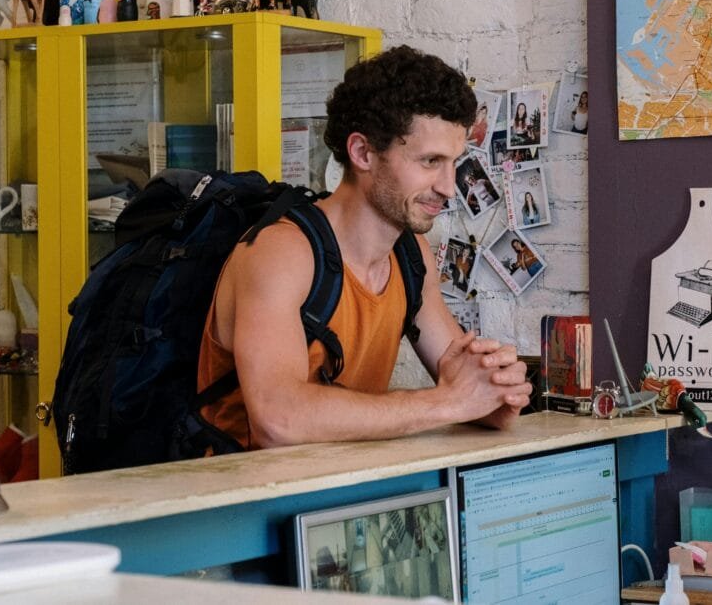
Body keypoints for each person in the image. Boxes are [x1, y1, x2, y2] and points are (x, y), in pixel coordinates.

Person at [196, 45, 531, 450]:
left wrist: (494, 396)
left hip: (341, 500)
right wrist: (447, 402)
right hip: (242, 505)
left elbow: (460, 383)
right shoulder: (281, 253)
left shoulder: (410, 255)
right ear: (362, 152)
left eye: (454, 163)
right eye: (429, 162)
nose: (448, 187)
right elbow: (277, 420)